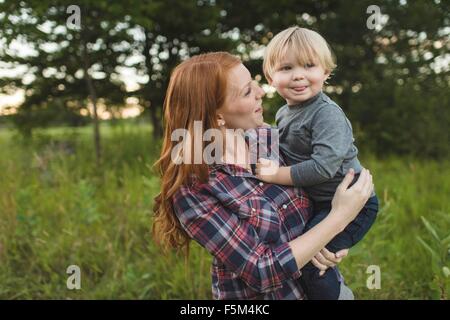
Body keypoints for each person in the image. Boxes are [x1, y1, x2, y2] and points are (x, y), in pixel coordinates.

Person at [152, 51, 374, 300]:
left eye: (254, 83)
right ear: (218, 116)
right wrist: (340, 218)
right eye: (247, 91)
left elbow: (314, 193)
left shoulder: (264, 138)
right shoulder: (195, 188)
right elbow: (261, 271)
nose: (261, 92)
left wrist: (332, 241)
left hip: (329, 291)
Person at [255, 26, 379, 299]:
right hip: (323, 203)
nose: (298, 74)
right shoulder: (285, 112)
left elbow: (323, 167)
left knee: (313, 263)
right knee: (308, 252)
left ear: (325, 71)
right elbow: (283, 144)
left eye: (309, 65)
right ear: (271, 77)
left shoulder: (327, 115)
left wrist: (275, 175)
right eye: (286, 68)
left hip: (355, 203)